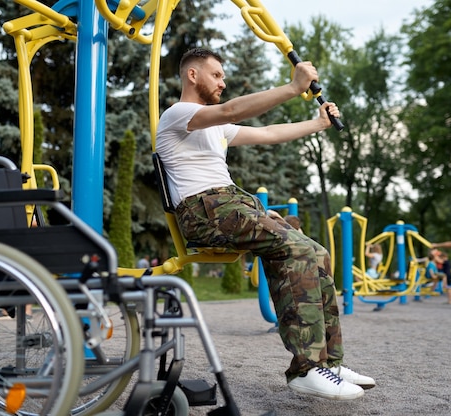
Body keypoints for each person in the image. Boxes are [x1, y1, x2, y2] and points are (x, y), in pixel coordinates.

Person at [156, 48, 375, 401]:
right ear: (192, 75)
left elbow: (270, 132)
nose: (223, 82)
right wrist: (293, 87)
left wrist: (318, 124)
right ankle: (305, 369)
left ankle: (329, 364)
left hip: (229, 204)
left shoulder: (218, 129)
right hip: (204, 209)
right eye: (217, 75)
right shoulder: (179, 114)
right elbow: (229, 110)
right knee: (298, 248)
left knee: (316, 253)